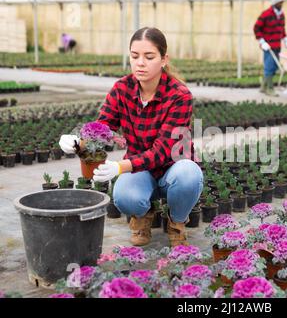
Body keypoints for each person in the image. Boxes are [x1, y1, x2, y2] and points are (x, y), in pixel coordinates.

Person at [59, 27, 203, 247]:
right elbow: (103, 126)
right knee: (125, 196)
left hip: (173, 168)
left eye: (149, 57)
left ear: (164, 59)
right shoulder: (122, 88)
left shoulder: (179, 96)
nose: (140, 63)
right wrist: (79, 142)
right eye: (135, 56)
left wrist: (120, 167)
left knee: (189, 174)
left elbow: (163, 150)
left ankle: (177, 222)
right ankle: (143, 215)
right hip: (141, 170)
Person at [253, 0, 287, 96]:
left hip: (277, 45)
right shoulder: (266, 14)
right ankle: (270, 89)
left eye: (282, 2)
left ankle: (263, 87)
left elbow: (282, 29)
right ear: (275, 3)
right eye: (280, 2)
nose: (281, 4)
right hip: (268, 46)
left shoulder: (281, 15)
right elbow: (256, 28)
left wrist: (285, 39)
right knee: (269, 67)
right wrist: (261, 41)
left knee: (275, 67)